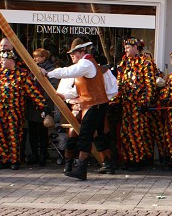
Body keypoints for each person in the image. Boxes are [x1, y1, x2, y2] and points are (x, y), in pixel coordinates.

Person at [47, 38, 114, 180]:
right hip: (94, 104)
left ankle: (81, 169)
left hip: (93, 105)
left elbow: (69, 71)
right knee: (99, 135)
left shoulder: (85, 63)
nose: (72, 56)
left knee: (85, 135)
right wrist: (66, 96)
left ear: (82, 51)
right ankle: (106, 164)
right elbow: (81, 90)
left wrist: (49, 73)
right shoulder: (86, 66)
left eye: (74, 53)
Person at [0, 51, 46, 170]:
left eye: (3, 60)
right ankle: (3, 160)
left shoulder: (22, 74)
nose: (0, 62)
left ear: (11, 61)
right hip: (0, 111)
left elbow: (32, 91)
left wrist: (42, 105)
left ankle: (14, 160)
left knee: (14, 135)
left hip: (15, 112)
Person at [111, 37, 157, 171]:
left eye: (128, 47)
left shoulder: (145, 63)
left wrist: (145, 101)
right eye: (125, 47)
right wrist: (115, 100)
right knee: (125, 133)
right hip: (126, 104)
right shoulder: (124, 63)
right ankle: (128, 159)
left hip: (138, 104)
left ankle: (137, 160)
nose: (125, 49)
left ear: (136, 47)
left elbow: (150, 84)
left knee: (136, 132)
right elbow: (119, 83)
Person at [25, 48, 57, 166]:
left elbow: (53, 87)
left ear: (43, 57)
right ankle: (34, 155)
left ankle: (43, 155)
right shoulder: (31, 70)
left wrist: (41, 99)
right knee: (33, 131)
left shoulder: (51, 70)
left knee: (43, 132)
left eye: (37, 57)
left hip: (45, 104)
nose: (34, 59)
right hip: (32, 106)